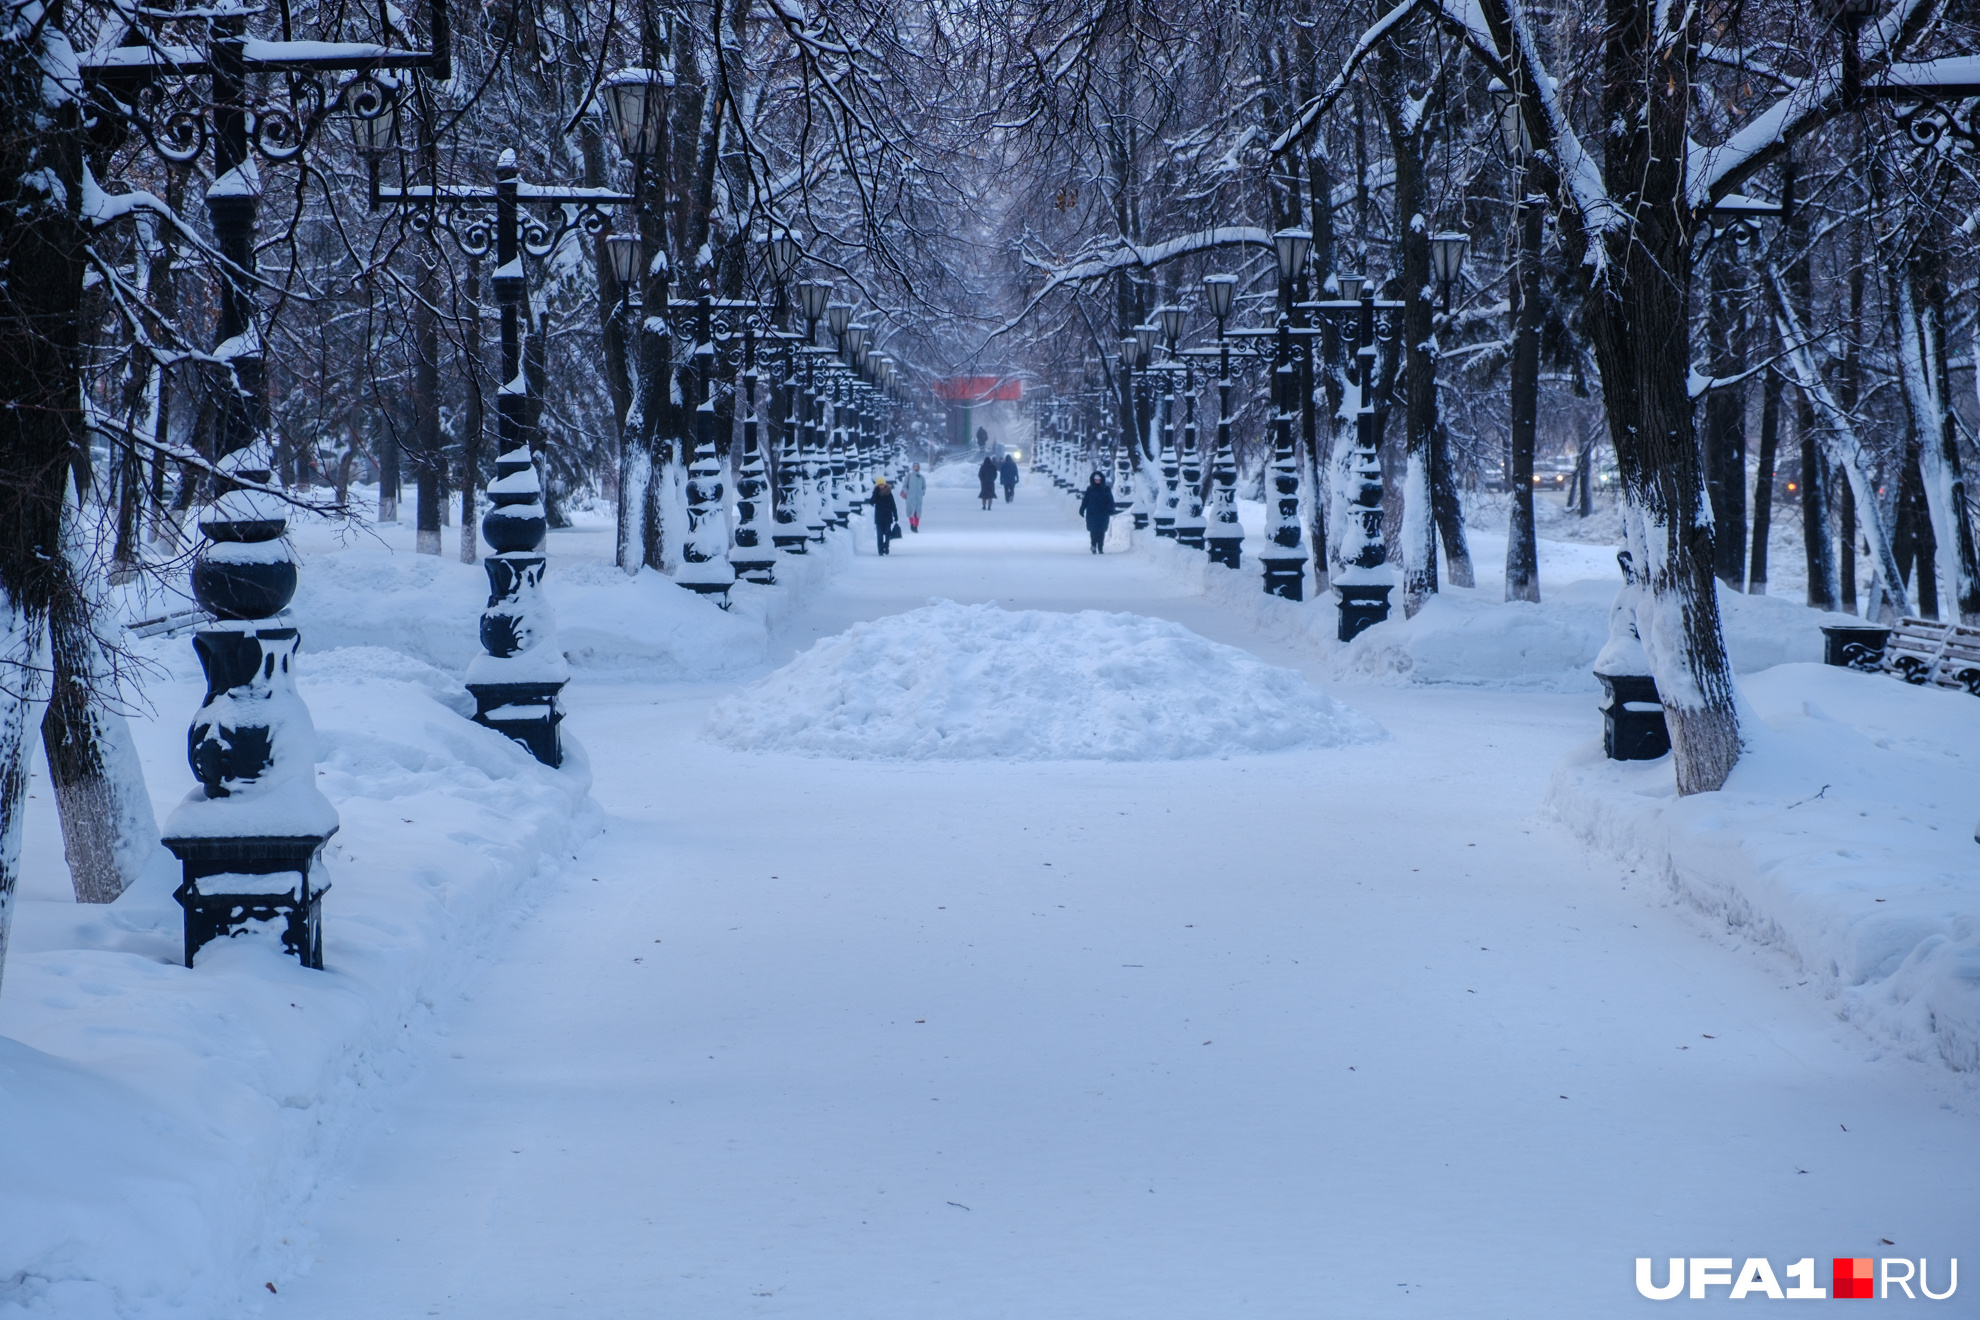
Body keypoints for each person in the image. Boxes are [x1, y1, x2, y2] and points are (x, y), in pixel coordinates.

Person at [1077, 471, 1115, 554]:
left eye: (1098, 479)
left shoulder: (1106, 489)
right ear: (1093, 480)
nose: (1097, 481)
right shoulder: (1090, 489)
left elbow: (1110, 500)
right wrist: (1082, 509)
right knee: (1093, 531)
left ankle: (1100, 547)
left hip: (1103, 513)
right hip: (1092, 513)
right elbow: (1085, 500)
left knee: (1101, 531)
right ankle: (1093, 545)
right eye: (1095, 479)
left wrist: (1110, 509)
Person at [870, 477, 900, 555]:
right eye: (879, 485)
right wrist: (875, 493)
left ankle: (886, 547)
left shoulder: (889, 493)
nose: (881, 486)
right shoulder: (876, 493)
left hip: (887, 517)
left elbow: (893, 505)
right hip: (879, 518)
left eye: (882, 484)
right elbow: (871, 502)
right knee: (879, 535)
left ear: (885, 484)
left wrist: (895, 515)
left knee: (887, 534)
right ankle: (880, 550)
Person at [901, 463, 927, 532]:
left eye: (917, 467)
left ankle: (916, 526)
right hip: (910, 498)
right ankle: (911, 524)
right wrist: (907, 492)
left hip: (918, 498)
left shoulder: (921, 477)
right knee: (910, 511)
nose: (916, 468)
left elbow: (924, 486)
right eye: (914, 466)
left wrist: (922, 492)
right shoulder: (909, 476)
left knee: (917, 513)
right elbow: (904, 486)